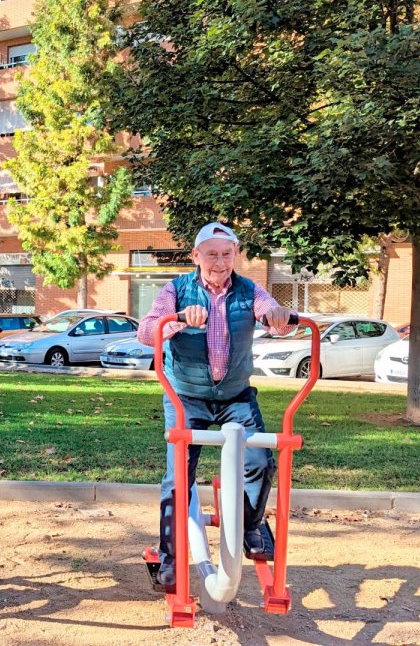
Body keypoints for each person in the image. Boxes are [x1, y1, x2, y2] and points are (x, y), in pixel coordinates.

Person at [137, 222, 296, 591]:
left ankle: (250, 525)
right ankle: (171, 557)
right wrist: (175, 321)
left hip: (236, 397)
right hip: (185, 396)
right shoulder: (176, 289)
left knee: (259, 463)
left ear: (235, 255)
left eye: (227, 254)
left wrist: (278, 316)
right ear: (196, 256)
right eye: (212, 254)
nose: (220, 262)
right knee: (178, 475)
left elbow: (272, 314)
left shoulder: (249, 289)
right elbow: (146, 332)